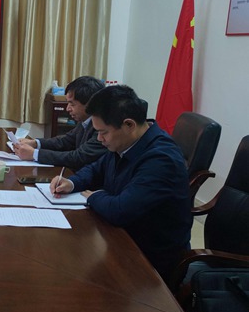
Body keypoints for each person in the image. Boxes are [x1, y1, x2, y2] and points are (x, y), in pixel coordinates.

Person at [50, 85, 192, 281]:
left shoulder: (161, 160)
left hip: (150, 263)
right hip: (120, 240)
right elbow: (96, 169)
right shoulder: (126, 143)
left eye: (103, 132)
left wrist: (95, 196)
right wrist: (72, 182)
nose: (99, 139)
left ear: (129, 125)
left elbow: (119, 211)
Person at [13, 76, 106, 169]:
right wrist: (35, 143)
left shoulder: (103, 128)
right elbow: (65, 141)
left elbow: (79, 157)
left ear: (90, 104)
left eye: (72, 104)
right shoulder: (84, 120)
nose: (67, 108)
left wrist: (34, 154)